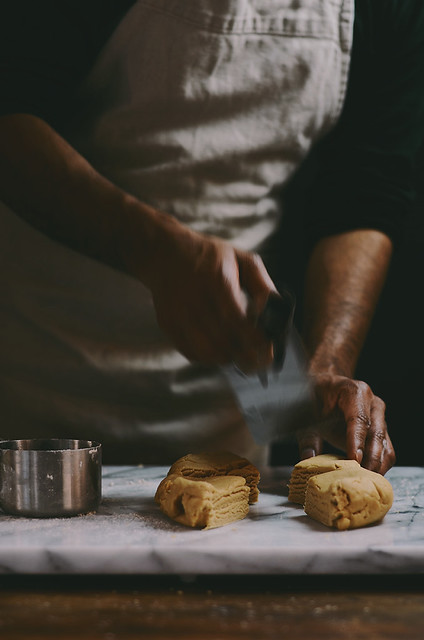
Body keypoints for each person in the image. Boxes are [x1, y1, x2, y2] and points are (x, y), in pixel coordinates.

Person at [0, 0, 423, 472]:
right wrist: (155, 251)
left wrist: (325, 365)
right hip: (41, 390)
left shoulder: (388, 9)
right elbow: (11, 114)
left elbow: (366, 196)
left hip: (225, 416)